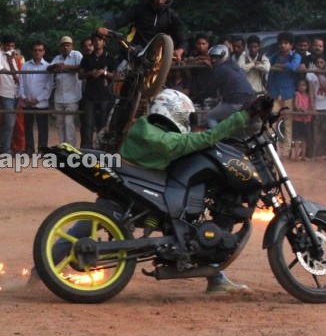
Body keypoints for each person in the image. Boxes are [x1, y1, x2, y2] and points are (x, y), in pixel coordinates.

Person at [118, 90, 275, 292]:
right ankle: (216, 276)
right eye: (186, 117)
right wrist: (244, 115)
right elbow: (207, 137)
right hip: (153, 189)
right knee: (191, 217)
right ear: (174, 113)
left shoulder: (144, 127)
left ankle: (215, 276)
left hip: (141, 185)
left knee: (191, 218)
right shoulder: (169, 142)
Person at [98, 0, 185, 61]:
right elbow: (119, 20)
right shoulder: (138, 9)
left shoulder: (172, 16)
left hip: (158, 59)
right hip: (132, 51)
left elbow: (182, 39)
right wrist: (106, 28)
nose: (160, 1)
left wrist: (180, 50)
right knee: (119, 68)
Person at [204, 44, 254, 128]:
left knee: (210, 116)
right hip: (250, 99)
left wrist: (200, 96)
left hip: (236, 102)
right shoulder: (235, 66)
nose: (213, 60)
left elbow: (211, 89)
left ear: (223, 56)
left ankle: (216, 139)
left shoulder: (221, 69)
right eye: (212, 57)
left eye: (216, 57)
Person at [18, 41, 52, 154]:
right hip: (27, 102)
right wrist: (24, 97)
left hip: (41, 103)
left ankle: (42, 150)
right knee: (27, 126)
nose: (37, 52)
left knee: (42, 128)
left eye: (40, 50)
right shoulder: (25, 65)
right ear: (32, 51)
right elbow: (21, 83)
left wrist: (38, 99)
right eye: (35, 50)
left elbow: (49, 87)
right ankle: (29, 149)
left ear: (44, 52)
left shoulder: (48, 67)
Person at [48, 35, 83, 146]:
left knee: (69, 123)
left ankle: (71, 148)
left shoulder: (76, 55)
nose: (66, 47)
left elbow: (82, 67)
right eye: (63, 45)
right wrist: (55, 65)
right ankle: (62, 146)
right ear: (60, 47)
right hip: (59, 96)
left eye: (68, 45)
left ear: (72, 46)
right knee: (60, 124)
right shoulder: (57, 58)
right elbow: (48, 68)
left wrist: (66, 67)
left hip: (72, 96)